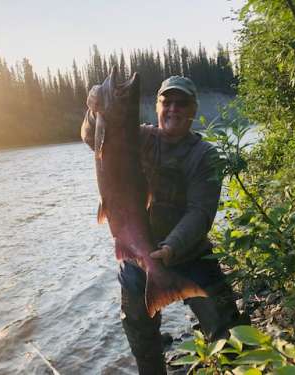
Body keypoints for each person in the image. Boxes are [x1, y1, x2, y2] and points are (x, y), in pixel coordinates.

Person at [81, 75, 249, 374]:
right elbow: (93, 136)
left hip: (191, 255)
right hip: (137, 257)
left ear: (193, 110)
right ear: (156, 106)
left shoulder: (206, 155)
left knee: (231, 335)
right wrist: (93, 110)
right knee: (140, 335)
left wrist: (170, 248)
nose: (173, 109)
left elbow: (200, 212)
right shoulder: (139, 136)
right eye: (166, 101)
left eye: (181, 103)